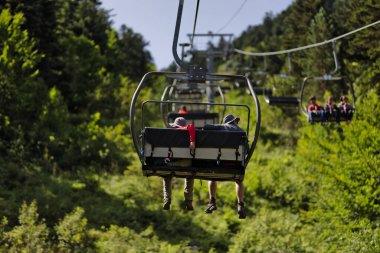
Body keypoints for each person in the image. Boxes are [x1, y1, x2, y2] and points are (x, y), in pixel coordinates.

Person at [203, 114, 246, 219]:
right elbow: (246, 150)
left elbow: (206, 127)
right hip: (235, 165)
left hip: (221, 164)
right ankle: (240, 204)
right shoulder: (241, 132)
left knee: (212, 178)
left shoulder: (221, 127)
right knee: (239, 181)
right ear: (234, 122)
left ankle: (212, 201)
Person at [163, 117, 195, 211]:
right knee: (190, 176)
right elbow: (191, 127)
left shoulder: (168, 133)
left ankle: (167, 198)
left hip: (171, 163)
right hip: (186, 163)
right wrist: (192, 141)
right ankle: (188, 199)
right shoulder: (186, 131)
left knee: (167, 176)